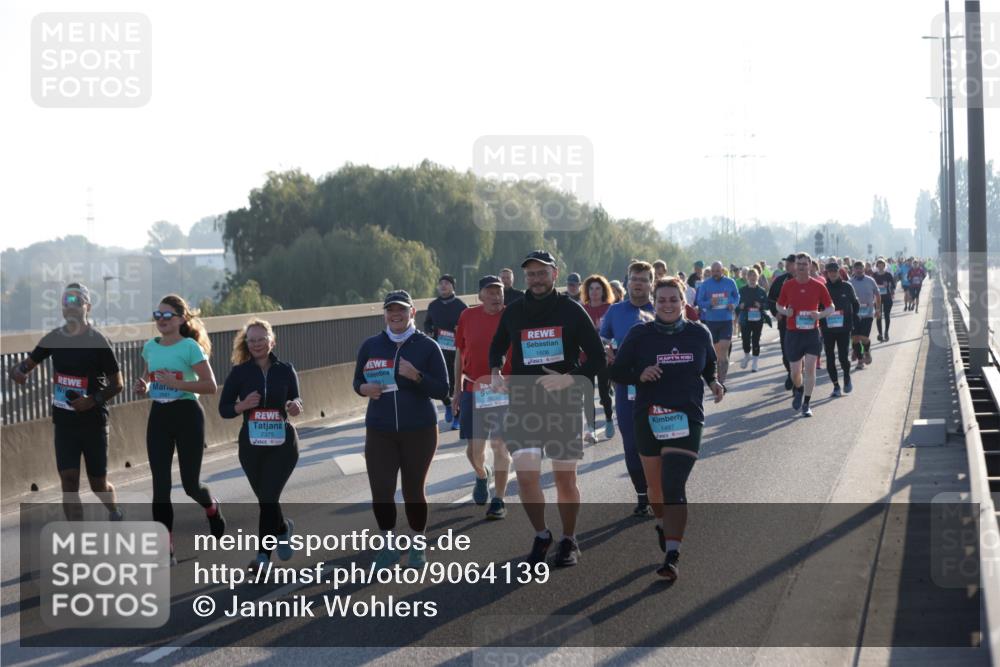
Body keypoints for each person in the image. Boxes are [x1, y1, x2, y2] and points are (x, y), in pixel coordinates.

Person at [489, 250, 605, 567]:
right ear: (525, 277)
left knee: (565, 479)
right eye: (531, 274)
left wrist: (571, 379)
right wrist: (496, 370)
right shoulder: (513, 312)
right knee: (526, 478)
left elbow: (596, 357)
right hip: (525, 403)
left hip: (563, 403)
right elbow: (498, 346)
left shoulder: (572, 311)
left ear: (555, 274)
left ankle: (569, 539)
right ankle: (542, 535)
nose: (536, 279)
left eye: (542, 273)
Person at [609, 277, 725, 581]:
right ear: (654, 300)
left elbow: (708, 365)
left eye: (673, 299)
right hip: (648, 417)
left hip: (687, 417)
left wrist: (713, 382)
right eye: (661, 300)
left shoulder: (698, 333)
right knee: (655, 490)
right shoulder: (640, 334)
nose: (668, 305)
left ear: (683, 302)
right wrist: (640, 372)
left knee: (674, 484)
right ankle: (662, 522)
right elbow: (617, 370)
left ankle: (672, 554)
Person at [7, 283, 125, 522]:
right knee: (69, 484)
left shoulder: (98, 341)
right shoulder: (54, 338)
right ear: (61, 308)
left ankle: (114, 509)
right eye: (66, 301)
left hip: (93, 422)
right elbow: (25, 366)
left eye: (77, 301)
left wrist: (91, 401)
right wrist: (18, 372)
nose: (71, 306)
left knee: (98, 485)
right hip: (64, 423)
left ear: (87, 307)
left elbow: (118, 384)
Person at [354, 290, 449, 569]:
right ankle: (388, 546)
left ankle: (418, 545)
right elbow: (357, 380)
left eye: (401, 310)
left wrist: (416, 376)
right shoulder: (371, 345)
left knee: (412, 490)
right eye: (390, 310)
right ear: (384, 314)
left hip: (418, 429)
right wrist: (363, 388)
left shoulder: (427, 346)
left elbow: (443, 389)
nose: (395, 314)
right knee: (381, 491)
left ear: (412, 313)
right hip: (380, 429)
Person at [134, 294, 223, 565]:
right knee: (160, 487)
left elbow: (210, 385)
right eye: (157, 315)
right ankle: (166, 547)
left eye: (166, 316)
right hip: (159, 415)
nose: (160, 320)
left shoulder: (190, 348)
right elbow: (152, 379)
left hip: (187, 415)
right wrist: (145, 388)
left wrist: (178, 386)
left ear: (181, 319)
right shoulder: (150, 347)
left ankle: (211, 508)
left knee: (190, 485)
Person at [219, 319, 303, 567]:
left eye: (261, 339)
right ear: (247, 343)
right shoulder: (239, 373)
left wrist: (295, 406)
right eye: (252, 340)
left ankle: (263, 558)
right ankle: (283, 527)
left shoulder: (285, 369)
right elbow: (224, 409)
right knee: (267, 500)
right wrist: (242, 405)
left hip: (283, 445)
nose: (256, 344)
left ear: (271, 341)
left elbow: (296, 399)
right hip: (251, 447)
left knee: (267, 499)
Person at [453, 276, 513, 519]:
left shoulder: (512, 316)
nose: (496, 296)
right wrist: (456, 390)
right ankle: (481, 474)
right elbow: (459, 354)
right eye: (490, 292)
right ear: (480, 296)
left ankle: (498, 499)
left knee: (500, 445)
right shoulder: (467, 316)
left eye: (499, 291)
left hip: (505, 390)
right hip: (473, 389)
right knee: (473, 450)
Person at [601, 261, 656, 517]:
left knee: (660, 441)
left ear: (651, 283)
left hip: (659, 387)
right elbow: (603, 340)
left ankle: (660, 489)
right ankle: (642, 494)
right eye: (634, 278)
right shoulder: (615, 311)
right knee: (632, 444)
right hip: (626, 388)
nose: (638, 283)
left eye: (644, 279)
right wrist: (607, 352)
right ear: (627, 281)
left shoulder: (663, 308)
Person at [775, 254, 835, 417]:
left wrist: (820, 314)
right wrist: (785, 311)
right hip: (793, 333)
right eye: (798, 264)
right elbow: (778, 304)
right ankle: (799, 389)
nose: (801, 267)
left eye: (804, 264)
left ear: (810, 266)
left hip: (811, 333)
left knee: (809, 369)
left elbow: (831, 307)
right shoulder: (788, 285)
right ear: (795, 266)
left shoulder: (818, 286)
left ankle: (807, 404)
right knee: (795, 372)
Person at [423, 274, 467, 430]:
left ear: (453, 287)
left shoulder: (461, 306)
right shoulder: (433, 305)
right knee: (440, 384)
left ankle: (457, 416)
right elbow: (427, 323)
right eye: (441, 283)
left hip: (456, 351)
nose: (443, 286)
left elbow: (468, 326)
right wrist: (428, 331)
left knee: (456, 385)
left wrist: (459, 330)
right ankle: (448, 404)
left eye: (447, 283)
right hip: (438, 350)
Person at [694, 262, 740, 384]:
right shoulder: (706, 284)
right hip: (711, 322)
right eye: (713, 271)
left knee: (723, 354)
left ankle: (721, 381)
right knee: (715, 354)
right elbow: (699, 301)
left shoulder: (730, 282)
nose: (715, 274)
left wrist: (733, 304)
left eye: (717, 271)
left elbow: (737, 296)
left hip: (726, 321)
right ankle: (716, 378)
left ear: (722, 271)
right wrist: (709, 303)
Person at [582, 274, 615, 442]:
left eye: (598, 289)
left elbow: (615, 334)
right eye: (591, 289)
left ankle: (609, 419)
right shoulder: (582, 309)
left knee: (603, 393)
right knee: (588, 394)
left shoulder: (610, 309)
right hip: (585, 358)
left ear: (603, 291)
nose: (594, 292)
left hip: (604, 357)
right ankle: (591, 430)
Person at [821, 263, 860, 397]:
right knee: (830, 358)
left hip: (844, 328)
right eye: (830, 271)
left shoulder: (847, 286)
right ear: (827, 273)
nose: (832, 273)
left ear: (839, 272)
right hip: (828, 329)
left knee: (843, 357)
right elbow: (817, 306)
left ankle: (847, 377)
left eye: (835, 271)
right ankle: (836, 386)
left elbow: (855, 304)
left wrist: (854, 318)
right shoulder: (823, 288)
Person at [768, 254, 799, 390]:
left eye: (790, 263)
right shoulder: (780, 280)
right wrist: (776, 313)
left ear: (796, 264)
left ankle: (798, 382)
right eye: (786, 263)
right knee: (786, 353)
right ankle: (791, 373)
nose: (787, 265)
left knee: (798, 353)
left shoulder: (803, 280)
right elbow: (771, 299)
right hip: (785, 323)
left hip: (802, 323)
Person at [736, 268, 770, 372]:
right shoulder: (742, 290)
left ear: (757, 277)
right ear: (747, 277)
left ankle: (755, 362)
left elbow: (767, 305)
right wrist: (740, 306)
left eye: (754, 276)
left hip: (757, 319)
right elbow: (736, 304)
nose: (752, 278)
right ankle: (747, 355)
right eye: (750, 276)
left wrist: (761, 305)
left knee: (756, 340)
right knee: (745, 339)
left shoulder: (761, 291)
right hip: (745, 318)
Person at [849, 261, 880, 370]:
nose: (858, 270)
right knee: (855, 339)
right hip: (855, 315)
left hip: (868, 314)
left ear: (864, 269)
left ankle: (866, 350)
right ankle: (860, 360)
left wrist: (878, 309)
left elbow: (877, 294)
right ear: (853, 269)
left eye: (860, 268)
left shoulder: (870, 280)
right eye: (856, 268)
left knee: (863, 338)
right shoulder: (850, 282)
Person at [872, 259, 896, 342]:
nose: (880, 266)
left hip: (887, 297)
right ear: (877, 266)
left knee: (886, 315)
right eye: (879, 264)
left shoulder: (888, 275)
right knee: (878, 315)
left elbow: (893, 285)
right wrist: (878, 286)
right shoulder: (874, 275)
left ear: (884, 266)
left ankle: (886, 332)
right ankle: (880, 334)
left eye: (882, 264)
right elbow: (871, 286)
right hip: (877, 298)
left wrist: (889, 285)